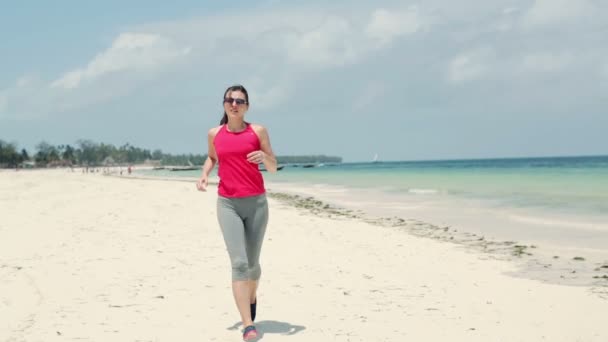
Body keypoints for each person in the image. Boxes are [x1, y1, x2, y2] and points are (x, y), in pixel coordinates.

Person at [196, 84, 277, 341]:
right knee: (239, 264)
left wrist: (263, 157)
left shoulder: (258, 131)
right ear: (224, 104)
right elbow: (212, 157)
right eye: (230, 100)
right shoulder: (214, 133)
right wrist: (204, 175)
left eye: (240, 101)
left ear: (247, 107)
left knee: (252, 265)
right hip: (228, 203)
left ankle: (251, 296)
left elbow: (274, 167)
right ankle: (248, 325)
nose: (234, 104)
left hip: (256, 204)